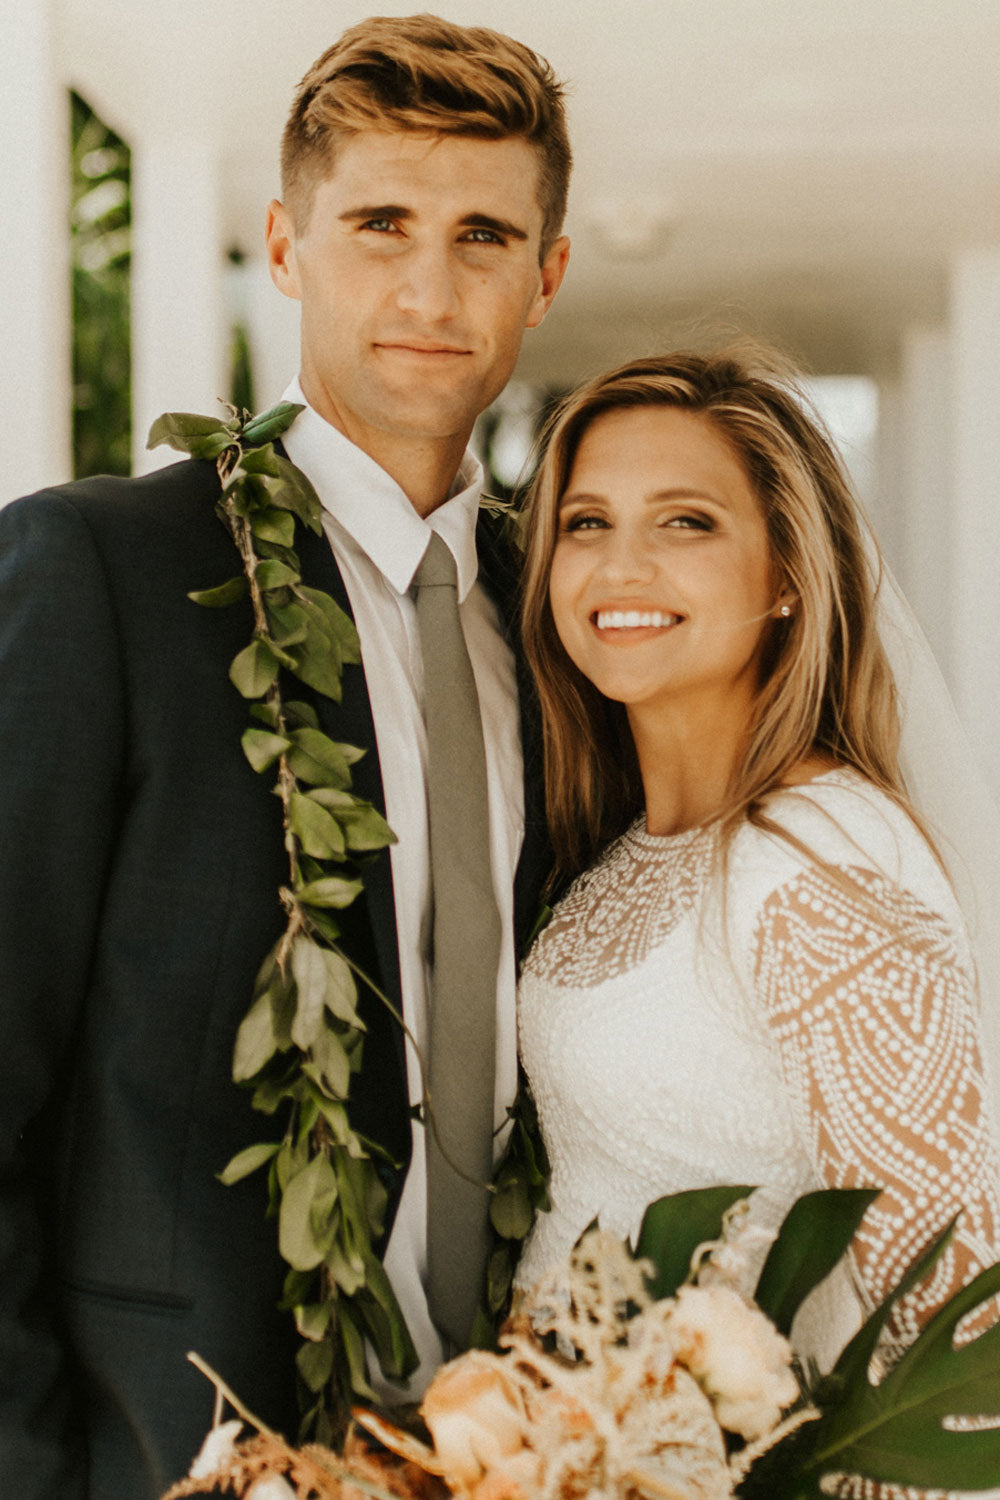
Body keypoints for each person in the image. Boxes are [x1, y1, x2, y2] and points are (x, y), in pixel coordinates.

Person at [0, 16, 570, 1499]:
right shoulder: (101, 575)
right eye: (379, 223)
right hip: (168, 1452)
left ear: (548, 274)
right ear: (283, 242)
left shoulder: (567, 621)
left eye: (485, 235)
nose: (430, 289)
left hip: (529, 1451)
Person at [515, 350, 1000, 1376]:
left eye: (684, 522)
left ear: (784, 571)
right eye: (585, 521)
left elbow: (947, 1314)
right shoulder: (623, 851)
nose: (620, 566)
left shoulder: (821, 855)